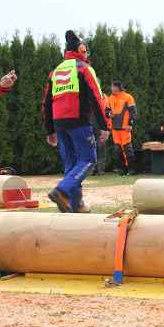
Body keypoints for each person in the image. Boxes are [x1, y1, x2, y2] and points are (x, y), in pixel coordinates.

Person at [43, 30, 109, 212]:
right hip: (78, 121)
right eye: (86, 51)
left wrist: (50, 130)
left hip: (59, 122)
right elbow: (97, 98)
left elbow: (46, 102)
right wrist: (104, 126)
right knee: (88, 160)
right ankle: (61, 190)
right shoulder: (84, 69)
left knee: (71, 164)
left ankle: (76, 204)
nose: (87, 55)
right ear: (81, 49)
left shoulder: (55, 72)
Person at [109, 81, 137, 175]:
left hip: (125, 128)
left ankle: (131, 169)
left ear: (117, 87)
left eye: (112, 86)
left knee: (127, 149)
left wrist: (130, 124)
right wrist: (109, 114)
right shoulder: (111, 98)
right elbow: (107, 110)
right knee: (117, 150)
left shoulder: (128, 97)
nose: (111, 88)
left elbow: (133, 112)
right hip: (115, 129)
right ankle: (122, 170)